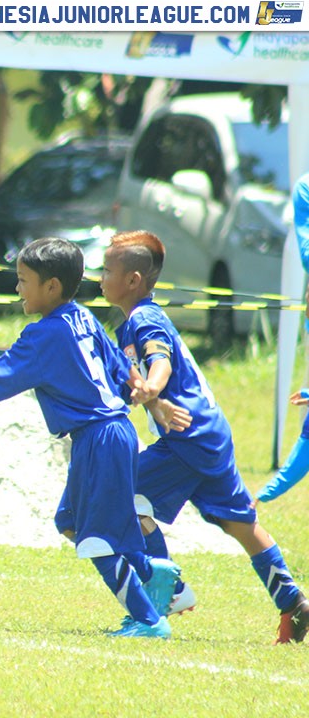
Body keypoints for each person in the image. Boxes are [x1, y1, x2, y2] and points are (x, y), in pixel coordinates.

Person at [0, 237, 185, 638]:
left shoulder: (45, 334)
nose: (17, 288)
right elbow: (123, 366)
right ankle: (152, 572)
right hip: (111, 435)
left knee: (96, 539)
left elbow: (0, 371)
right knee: (70, 520)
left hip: (100, 438)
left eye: (23, 280)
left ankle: (149, 620)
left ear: (52, 287)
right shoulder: (83, 317)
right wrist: (153, 401)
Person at [101, 229, 309, 644]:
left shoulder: (143, 318)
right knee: (240, 524)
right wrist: (147, 395)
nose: (99, 276)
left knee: (114, 497)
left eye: (106, 269)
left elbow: (159, 359)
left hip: (186, 437)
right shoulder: (136, 321)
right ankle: (294, 602)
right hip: (210, 434)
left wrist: (154, 389)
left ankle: (167, 590)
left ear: (132, 280)